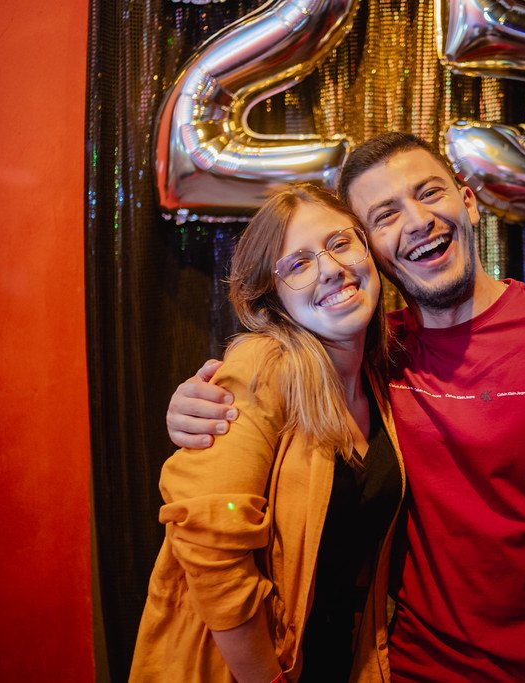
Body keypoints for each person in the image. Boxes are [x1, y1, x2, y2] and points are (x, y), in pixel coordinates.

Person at [167, 133, 525, 682]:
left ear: (468, 202)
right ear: (371, 246)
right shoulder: (374, 357)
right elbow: (248, 422)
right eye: (386, 214)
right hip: (410, 670)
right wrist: (192, 405)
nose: (416, 220)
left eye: (430, 192)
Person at [131, 184, 406, 682]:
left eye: (340, 243)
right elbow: (211, 546)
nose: (329, 268)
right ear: (272, 298)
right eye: (297, 265)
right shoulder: (265, 367)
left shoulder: (379, 380)